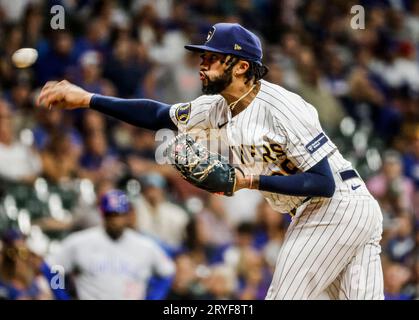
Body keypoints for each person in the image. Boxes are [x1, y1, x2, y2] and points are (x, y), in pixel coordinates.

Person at [37, 22, 384, 300]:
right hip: (341, 210)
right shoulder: (217, 107)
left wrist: (249, 180)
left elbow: (323, 183)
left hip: (335, 207)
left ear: (241, 66)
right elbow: (158, 114)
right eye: (202, 56)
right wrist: (87, 99)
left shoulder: (283, 108)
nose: (202, 64)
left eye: (212, 58)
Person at [49, 189, 175, 299]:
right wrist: (62, 296)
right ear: (103, 214)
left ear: (127, 215)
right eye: (111, 215)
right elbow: (53, 267)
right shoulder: (80, 241)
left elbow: (167, 273)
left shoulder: (145, 246)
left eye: (119, 215)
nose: (115, 221)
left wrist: (153, 298)